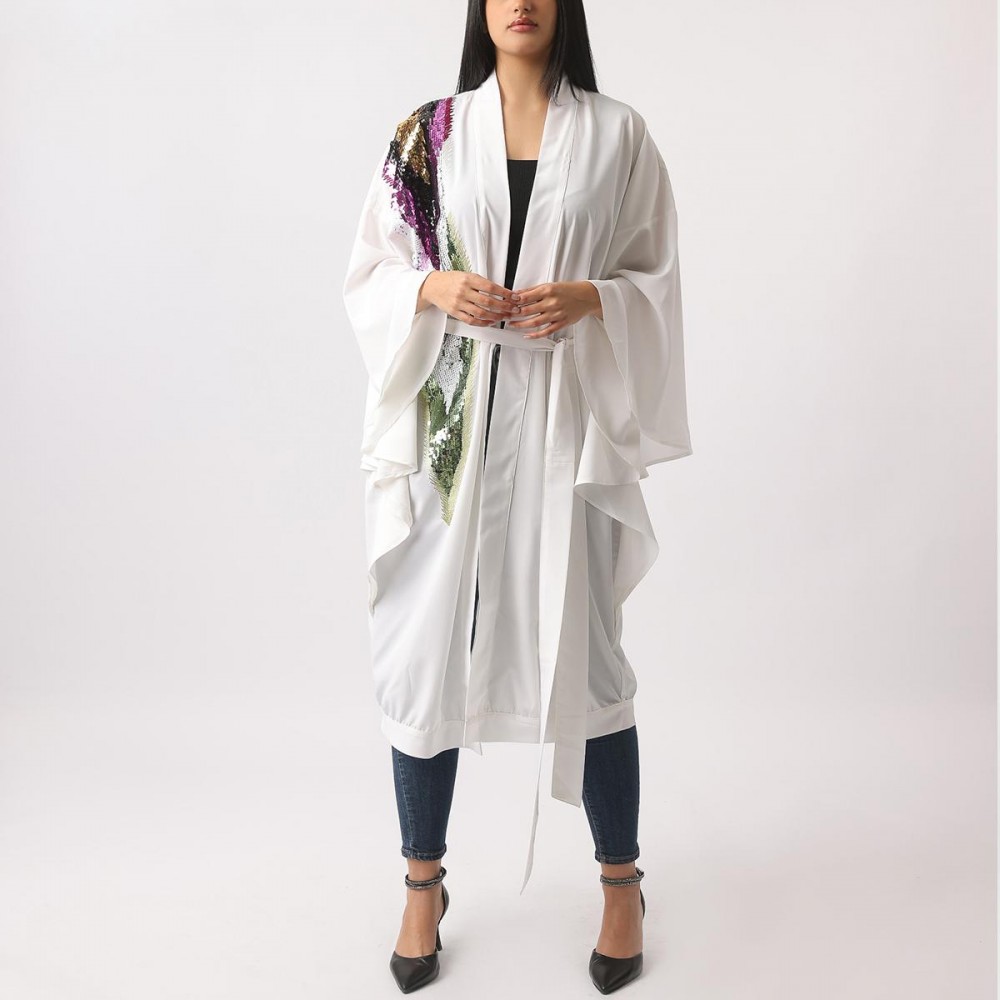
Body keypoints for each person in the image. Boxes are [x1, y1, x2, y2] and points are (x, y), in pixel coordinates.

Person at [342, 0, 692, 993]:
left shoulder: (618, 134)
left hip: (565, 426)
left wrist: (592, 296)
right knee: (426, 653)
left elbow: (654, 275)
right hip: (452, 429)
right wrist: (431, 290)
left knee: (587, 654)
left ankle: (621, 884)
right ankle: (422, 884)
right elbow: (371, 269)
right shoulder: (429, 134)